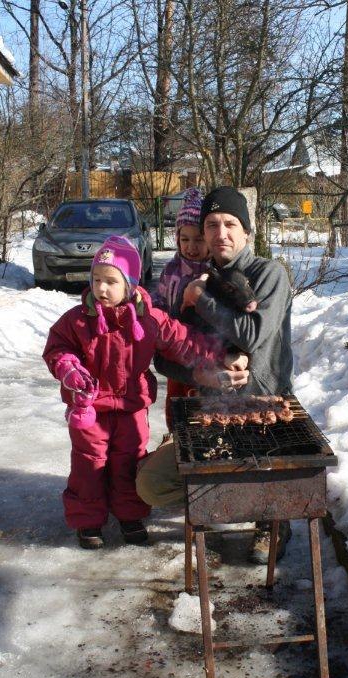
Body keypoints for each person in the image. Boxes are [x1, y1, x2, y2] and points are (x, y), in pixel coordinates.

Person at [43, 234, 246, 550]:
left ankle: (129, 515)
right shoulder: (79, 318)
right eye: (96, 279)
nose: (101, 288)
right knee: (89, 464)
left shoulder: (148, 317)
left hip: (132, 406)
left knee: (129, 461)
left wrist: (222, 355)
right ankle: (88, 520)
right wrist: (69, 368)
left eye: (111, 281)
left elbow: (183, 341)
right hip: (91, 407)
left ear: (130, 283)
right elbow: (57, 347)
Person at [136, 186, 294, 563]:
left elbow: (252, 334)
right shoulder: (199, 279)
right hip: (212, 413)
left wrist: (200, 301)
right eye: (212, 224)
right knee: (150, 485)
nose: (220, 233)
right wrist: (206, 374)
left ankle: (271, 518)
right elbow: (167, 357)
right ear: (203, 233)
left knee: (265, 471)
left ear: (246, 232)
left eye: (229, 224)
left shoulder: (268, 274)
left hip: (263, 409)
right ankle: (220, 498)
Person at [152, 187, 211, 429]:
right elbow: (161, 298)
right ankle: (176, 438)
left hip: (206, 354)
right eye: (184, 239)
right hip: (174, 353)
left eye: (199, 239)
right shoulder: (172, 270)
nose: (191, 247)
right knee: (176, 405)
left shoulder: (214, 272)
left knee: (204, 410)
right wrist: (155, 309)